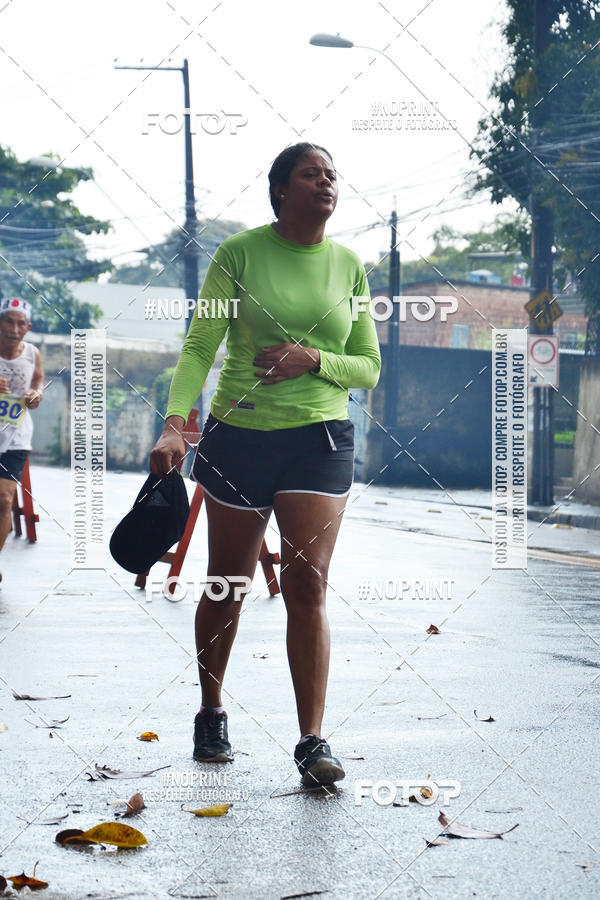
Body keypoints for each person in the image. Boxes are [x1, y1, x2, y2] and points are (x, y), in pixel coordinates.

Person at [150, 142, 381, 787]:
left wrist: (314, 359)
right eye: (312, 174)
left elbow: (368, 364)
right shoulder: (240, 254)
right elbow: (201, 342)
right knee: (227, 582)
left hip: (321, 439)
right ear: (281, 189)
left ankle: (312, 738)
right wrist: (175, 423)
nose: (327, 182)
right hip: (240, 437)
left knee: (308, 584)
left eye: (333, 173)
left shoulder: (349, 266)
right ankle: (211, 710)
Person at [0, 298, 44, 578]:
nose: (14, 329)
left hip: (15, 437)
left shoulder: (32, 353)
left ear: (27, 328)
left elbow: (38, 379)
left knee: (4, 501)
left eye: (20, 323)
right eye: (8, 321)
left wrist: (36, 394)